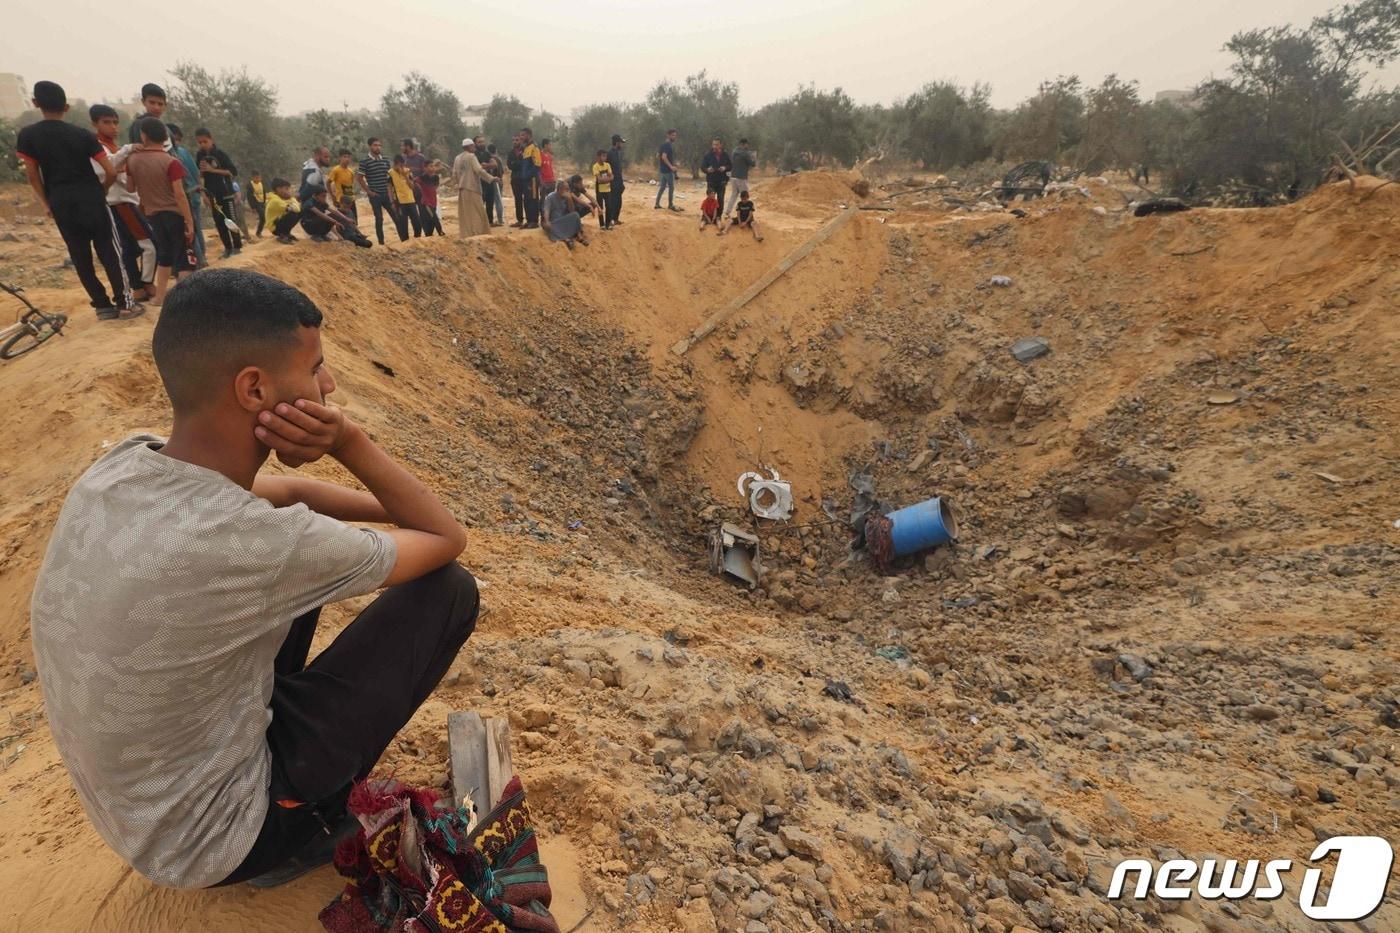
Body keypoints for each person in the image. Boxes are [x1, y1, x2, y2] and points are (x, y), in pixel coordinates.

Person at [30, 267, 477, 890]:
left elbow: (291, 492)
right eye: (316, 367)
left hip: (139, 815)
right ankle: (310, 821)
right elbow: (446, 541)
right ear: (255, 389)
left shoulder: (127, 464)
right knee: (448, 590)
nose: (330, 383)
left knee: (297, 554)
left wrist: (400, 505)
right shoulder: (251, 543)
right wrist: (348, 441)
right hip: (221, 843)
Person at [16, 81, 140, 320]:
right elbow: (111, 171)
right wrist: (100, 192)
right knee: (110, 251)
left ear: (35, 103)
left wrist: (46, 203)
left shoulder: (28, 136)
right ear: (66, 107)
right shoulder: (82, 135)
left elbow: (33, 175)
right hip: (91, 198)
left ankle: (102, 306)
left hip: (61, 201)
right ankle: (125, 304)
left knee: (80, 255)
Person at [90, 104, 156, 303]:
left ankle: (138, 287)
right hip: (120, 203)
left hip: (126, 201)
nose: (113, 127)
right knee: (150, 245)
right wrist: (128, 151)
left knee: (130, 249)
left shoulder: (112, 146)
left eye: (115, 122)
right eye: (107, 122)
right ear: (95, 124)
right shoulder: (98, 147)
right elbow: (107, 169)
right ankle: (145, 284)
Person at [124, 118, 195, 305]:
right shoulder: (171, 162)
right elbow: (179, 195)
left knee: (164, 254)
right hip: (174, 213)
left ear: (143, 135)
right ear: (165, 137)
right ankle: (185, 299)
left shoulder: (132, 161)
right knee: (183, 256)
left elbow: (130, 188)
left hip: (152, 215)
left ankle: (160, 297)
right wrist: (189, 221)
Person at [195, 128, 244, 259]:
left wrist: (212, 170)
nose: (202, 145)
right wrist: (203, 195)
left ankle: (237, 246)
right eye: (199, 142)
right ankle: (227, 248)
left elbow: (232, 172)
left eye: (205, 141)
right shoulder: (199, 155)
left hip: (226, 193)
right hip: (212, 195)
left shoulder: (220, 154)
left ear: (211, 139)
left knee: (230, 220)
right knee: (219, 222)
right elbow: (200, 176)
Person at [169, 125, 207, 270]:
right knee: (196, 228)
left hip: (189, 197)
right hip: (190, 195)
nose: (176, 142)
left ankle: (200, 262)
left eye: (178, 139)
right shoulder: (180, 153)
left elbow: (196, 173)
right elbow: (196, 172)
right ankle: (202, 259)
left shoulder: (178, 154)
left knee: (192, 229)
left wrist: (200, 191)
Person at [355, 138, 397, 246]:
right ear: (370, 146)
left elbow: (390, 177)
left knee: (395, 216)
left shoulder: (385, 160)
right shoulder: (365, 161)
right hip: (375, 195)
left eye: (379, 145)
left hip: (386, 194)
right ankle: (381, 242)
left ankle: (403, 238)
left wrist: (392, 193)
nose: (378, 147)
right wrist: (369, 191)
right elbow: (359, 177)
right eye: (375, 145)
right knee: (379, 218)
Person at [300, 185, 371, 247]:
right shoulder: (309, 203)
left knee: (332, 216)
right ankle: (316, 235)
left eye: (325, 196)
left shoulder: (322, 202)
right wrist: (335, 222)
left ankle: (322, 235)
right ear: (315, 195)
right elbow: (321, 214)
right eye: (323, 196)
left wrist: (347, 219)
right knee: (327, 218)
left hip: (318, 222)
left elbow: (334, 211)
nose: (325, 198)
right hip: (308, 225)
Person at [450, 138, 493, 238]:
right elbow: (479, 170)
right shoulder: (471, 156)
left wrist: (458, 183)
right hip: (472, 188)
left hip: (462, 189)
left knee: (466, 214)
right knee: (477, 212)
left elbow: (454, 174)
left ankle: (467, 234)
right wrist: (491, 178)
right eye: (473, 146)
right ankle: (478, 234)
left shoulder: (457, 158)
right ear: (469, 146)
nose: (475, 147)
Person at [541, 180, 588, 250]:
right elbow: (546, 210)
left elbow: (572, 211)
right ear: (560, 189)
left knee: (575, 215)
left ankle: (579, 236)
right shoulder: (550, 197)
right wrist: (547, 221)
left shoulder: (567, 197)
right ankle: (566, 240)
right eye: (567, 189)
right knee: (547, 225)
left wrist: (569, 199)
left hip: (563, 220)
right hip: (554, 222)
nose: (568, 190)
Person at [388, 155, 421, 240]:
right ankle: (404, 241)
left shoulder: (408, 171)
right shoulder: (390, 173)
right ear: (394, 164)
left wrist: (405, 176)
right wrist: (392, 202)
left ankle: (417, 238)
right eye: (398, 165)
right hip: (399, 202)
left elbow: (412, 186)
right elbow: (389, 188)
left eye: (402, 165)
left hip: (410, 200)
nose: (400, 167)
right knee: (403, 223)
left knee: (416, 221)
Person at [701, 138, 732, 222]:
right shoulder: (707, 155)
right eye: (713, 144)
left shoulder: (725, 155)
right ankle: (707, 216)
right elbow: (702, 167)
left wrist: (725, 167)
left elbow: (730, 166)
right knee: (711, 198)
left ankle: (718, 216)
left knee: (720, 199)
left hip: (722, 181)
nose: (714, 146)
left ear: (720, 145)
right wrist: (707, 170)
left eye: (716, 144)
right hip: (711, 181)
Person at [725, 138, 757, 220]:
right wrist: (754, 157)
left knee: (734, 194)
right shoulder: (745, 154)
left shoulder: (734, 151)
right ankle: (746, 214)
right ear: (744, 144)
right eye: (747, 144)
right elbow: (752, 164)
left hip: (733, 176)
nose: (748, 146)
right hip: (741, 177)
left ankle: (727, 212)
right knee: (745, 195)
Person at [264, 178, 303, 243]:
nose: (289, 191)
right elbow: (295, 208)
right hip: (274, 227)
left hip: (278, 222)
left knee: (299, 212)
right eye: (286, 189)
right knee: (293, 214)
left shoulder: (280, 198)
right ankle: (282, 235)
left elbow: (298, 208)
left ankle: (286, 233)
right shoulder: (275, 200)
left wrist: (291, 198)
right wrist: (291, 199)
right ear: (278, 189)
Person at [519, 128, 543, 228]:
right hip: (525, 180)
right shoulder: (526, 148)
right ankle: (529, 221)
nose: (521, 137)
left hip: (532, 179)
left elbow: (537, 165)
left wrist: (529, 176)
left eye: (523, 135)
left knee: (533, 199)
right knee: (527, 200)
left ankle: (534, 221)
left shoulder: (534, 147)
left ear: (529, 135)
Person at [326, 150, 357, 222]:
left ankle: (355, 233)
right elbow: (328, 183)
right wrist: (333, 196)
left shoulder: (351, 171)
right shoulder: (336, 170)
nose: (347, 159)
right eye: (344, 157)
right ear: (340, 158)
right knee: (343, 221)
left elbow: (350, 186)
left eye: (349, 157)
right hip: (341, 201)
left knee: (354, 220)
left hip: (351, 200)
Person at [655, 128, 681, 212]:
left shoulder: (662, 145)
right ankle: (670, 205)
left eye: (675, 135)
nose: (674, 137)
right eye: (673, 135)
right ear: (668, 135)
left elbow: (658, 155)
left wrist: (665, 164)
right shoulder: (667, 145)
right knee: (671, 187)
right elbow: (663, 156)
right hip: (667, 171)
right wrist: (671, 166)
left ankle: (657, 204)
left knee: (662, 187)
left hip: (662, 170)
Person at [417, 160, 445, 236]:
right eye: (430, 166)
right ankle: (440, 232)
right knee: (434, 217)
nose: (433, 168)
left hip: (433, 201)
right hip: (426, 202)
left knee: (431, 221)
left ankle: (429, 235)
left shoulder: (436, 177)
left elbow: (435, 187)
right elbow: (414, 183)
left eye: (433, 166)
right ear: (425, 168)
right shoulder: (422, 177)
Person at [605, 134, 626, 227]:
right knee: (612, 202)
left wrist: (621, 182)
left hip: (618, 181)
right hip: (612, 182)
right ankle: (610, 220)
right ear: (617, 143)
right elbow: (605, 168)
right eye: (621, 143)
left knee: (618, 202)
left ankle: (616, 219)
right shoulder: (609, 154)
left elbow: (618, 169)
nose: (622, 145)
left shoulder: (617, 153)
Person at [483, 142, 506, 226]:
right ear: (496, 150)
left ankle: (500, 220)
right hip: (500, 180)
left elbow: (492, 171)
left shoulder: (491, 159)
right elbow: (503, 171)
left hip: (494, 181)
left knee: (497, 200)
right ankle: (500, 219)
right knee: (499, 200)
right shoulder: (499, 159)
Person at [506, 132, 526, 227]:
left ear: (521, 141)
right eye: (513, 140)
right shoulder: (510, 152)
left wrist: (516, 163)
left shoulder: (526, 150)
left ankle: (530, 220)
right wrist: (517, 163)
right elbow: (509, 165)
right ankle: (519, 220)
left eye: (517, 140)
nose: (515, 142)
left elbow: (524, 164)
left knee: (527, 200)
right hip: (515, 179)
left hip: (525, 179)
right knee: (518, 200)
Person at [590, 149, 612, 230]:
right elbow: (599, 179)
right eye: (603, 156)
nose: (605, 158)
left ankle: (608, 224)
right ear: (598, 157)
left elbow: (612, 176)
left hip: (608, 190)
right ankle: (602, 225)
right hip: (599, 190)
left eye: (605, 156)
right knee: (600, 207)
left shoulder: (607, 165)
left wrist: (604, 180)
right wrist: (608, 179)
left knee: (609, 207)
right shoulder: (595, 166)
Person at [248, 170, 268, 237]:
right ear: (253, 177)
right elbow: (249, 197)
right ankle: (258, 232)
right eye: (256, 178)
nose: (258, 179)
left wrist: (265, 202)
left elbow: (264, 193)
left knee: (264, 218)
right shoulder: (250, 185)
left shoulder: (261, 184)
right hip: (256, 203)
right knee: (263, 216)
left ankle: (258, 232)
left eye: (259, 177)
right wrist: (252, 207)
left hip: (262, 203)